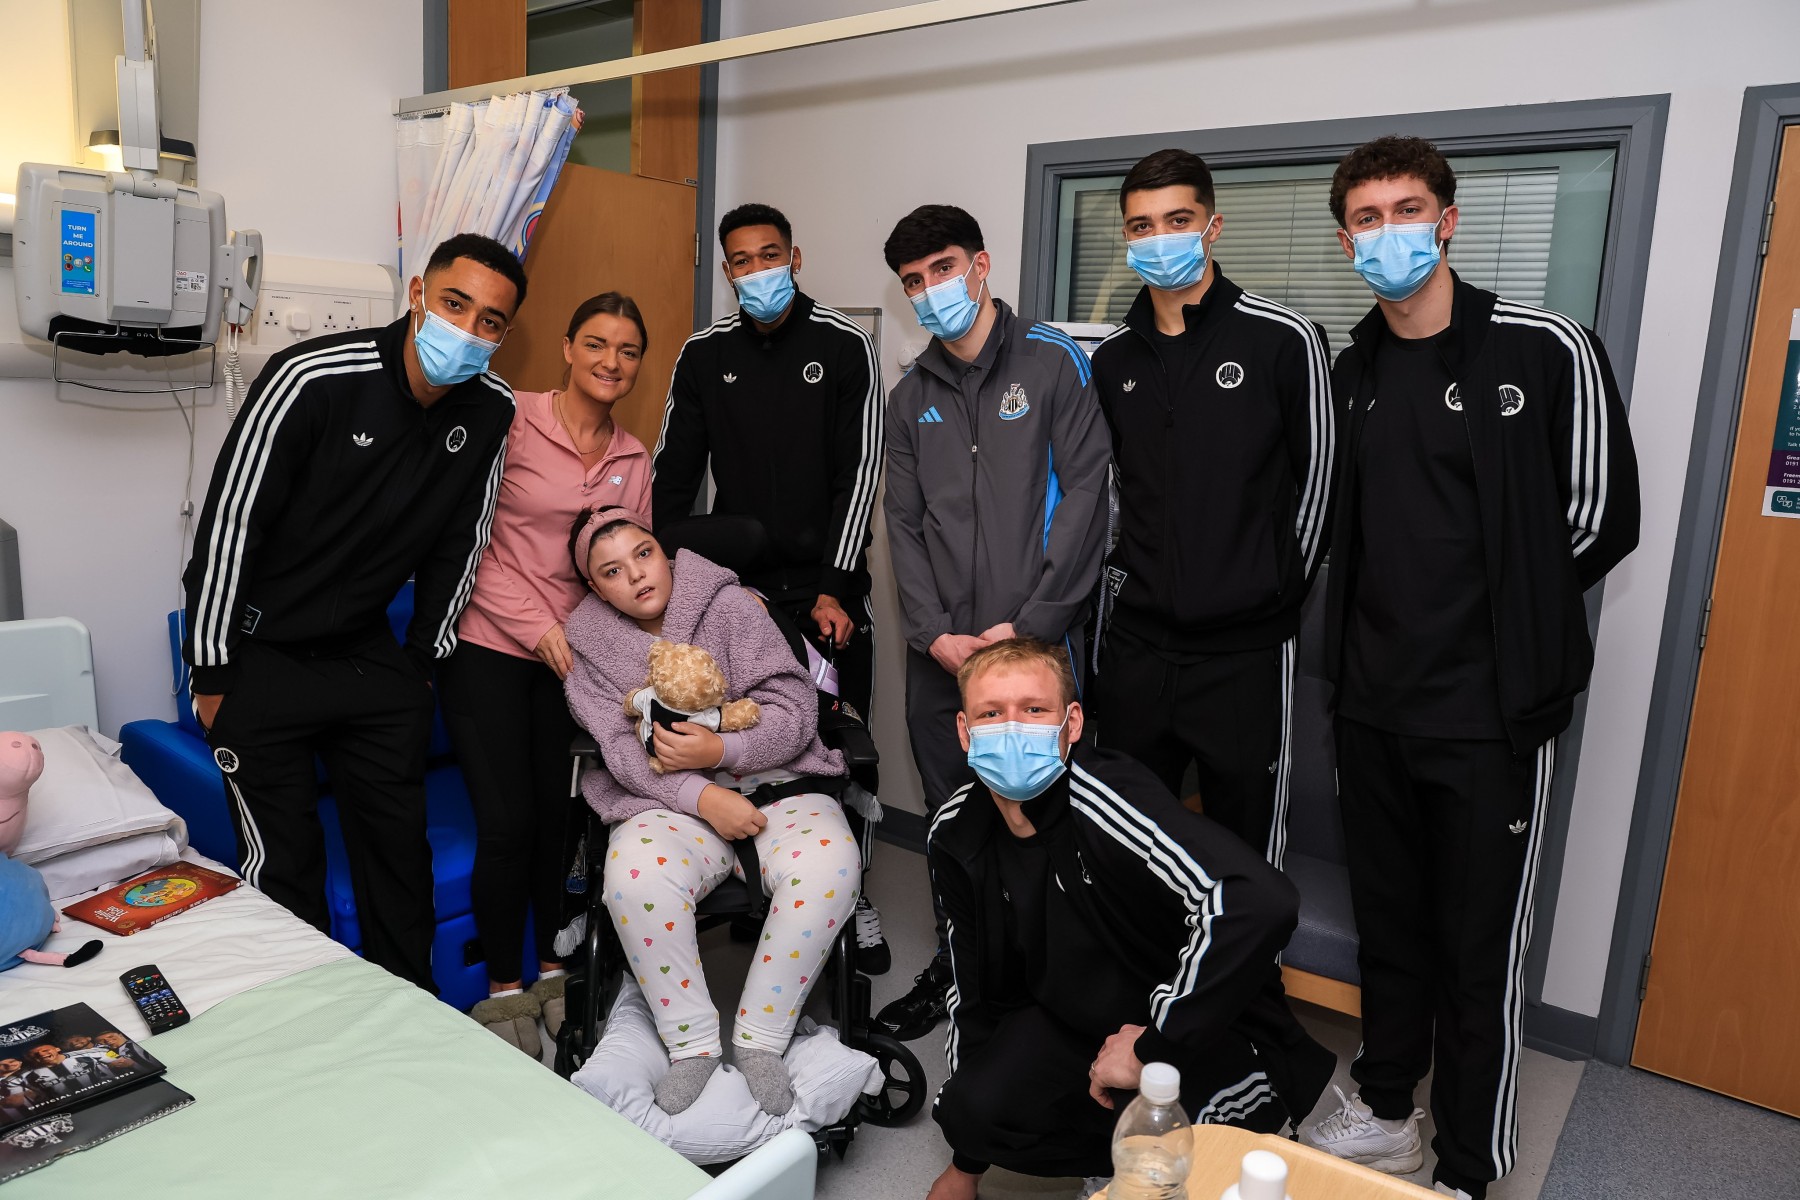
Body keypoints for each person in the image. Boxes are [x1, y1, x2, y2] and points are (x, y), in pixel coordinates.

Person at [1299, 137, 1639, 1200]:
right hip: (1372, 706)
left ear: (1447, 221)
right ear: (1345, 239)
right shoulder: (1353, 370)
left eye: (1406, 209)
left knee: (1476, 952)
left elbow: (1602, 515)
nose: (1387, 232)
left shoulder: (1544, 348)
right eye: (1365, 217)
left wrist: (1499, 632)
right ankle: (1387, 1112)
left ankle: (1466, 1168)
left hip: (1490, 717)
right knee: (1390, 929)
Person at [181, 232, 527, 992]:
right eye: (455, 304)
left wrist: (423, 660)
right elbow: (232, 525)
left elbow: (462, 541)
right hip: (261, 654)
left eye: (491, 321)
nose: (468, 330)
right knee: (286, 869)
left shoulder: (491, 410)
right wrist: (211, 671)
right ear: (418, 295)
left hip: (370, 657)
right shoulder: (311, 377)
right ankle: (308, 1026)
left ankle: (411, 1020)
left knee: (400, 861)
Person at [924, 638, 1335, 1200]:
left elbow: (1257, 900)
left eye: (1034, 709)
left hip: (1184, 1020)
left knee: (1211, 1162)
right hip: (1070, 1015)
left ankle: (1187, 1134)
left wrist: (1152, 1049)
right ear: (965, 731)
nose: (1012, 729)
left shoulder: (1107, 796)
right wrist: (965, 1163)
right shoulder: (955, 833)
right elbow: (970, 987)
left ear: (1071, 723)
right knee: (968, 1105)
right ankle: (1117, 1156)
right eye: (991, 714)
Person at [877, 204, 1111, 1042]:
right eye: (913, 281)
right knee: (954, 818)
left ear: (980, 265)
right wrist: (931, 631)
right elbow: (903, 524)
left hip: (1036, 646)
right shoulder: (909, 397)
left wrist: (1035, 624)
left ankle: (1051, 981)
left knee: (1046, 815)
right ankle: (958, 968)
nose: (929, 290)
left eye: (942, 269)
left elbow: (1086, 496)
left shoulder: (1052, 363)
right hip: (941, 654)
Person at [561, 508, 863, 1118]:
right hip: (669, 801)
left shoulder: (732, 607)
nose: (636, 575)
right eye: (612, 571)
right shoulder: (588, 654)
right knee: (632, 877)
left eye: (643, 554)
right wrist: (705, 795)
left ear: (664, 553)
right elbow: (621, 752)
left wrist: (723, 750)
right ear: (595, 588)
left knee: (832, 866)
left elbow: (794, 709)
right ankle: (692, 1044)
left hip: (777, 783)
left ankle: (761, 1038)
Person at [652, 203, 889, 971]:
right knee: (743, 743)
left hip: (826, 590)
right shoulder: (704, 353)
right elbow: (672, 475)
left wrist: (836, 588)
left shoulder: (844, 345)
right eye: (742, 260)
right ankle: (763, 885)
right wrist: (675, 582)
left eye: (770, 255)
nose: (758, 270)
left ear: (795, 257)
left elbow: (860, 475)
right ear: (727, 271)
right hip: (739, 595)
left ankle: (854, 896)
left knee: (837, 747)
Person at [1089, 149, 1336, 863]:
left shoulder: (1283, 338)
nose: (1159, 238)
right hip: (1138, 646)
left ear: (1212, 226)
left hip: (1244, 652)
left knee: (1243, 845)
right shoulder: (1113, 359)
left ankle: (1240, 949)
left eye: (1178, 220)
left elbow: (1321, 484)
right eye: (1141, 225)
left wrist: (1271, 593)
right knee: (1126, 838)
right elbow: (1113, 494)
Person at [440, 292, 654, 1048]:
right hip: (492, 649)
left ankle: (552, 971)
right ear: (567, 348)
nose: (610, 362)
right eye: (595, 344)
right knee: (507, 826)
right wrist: (539, 628)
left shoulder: (634, 458)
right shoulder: (512, 420)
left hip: (575, 664)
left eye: (628, 350)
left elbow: (629, 566)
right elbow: (473, 544)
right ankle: (505, 990)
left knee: (560, 825)